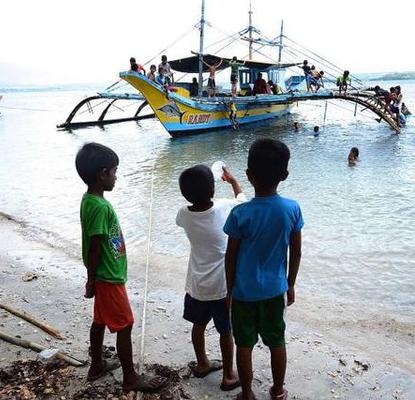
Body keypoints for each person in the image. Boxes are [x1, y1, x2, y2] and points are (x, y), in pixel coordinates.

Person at [75, 143, 166, 392]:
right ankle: (130, 377)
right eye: (114, 171)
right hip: (108, 277)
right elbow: (94, 247)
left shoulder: (91, 200)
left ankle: (96, 365)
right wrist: (91, 279)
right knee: (125, 324)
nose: (116, 176)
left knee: (100, 320)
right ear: (102, 174)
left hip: (106, 275)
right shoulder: (99, 207)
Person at [224, 138, 303, 400]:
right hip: (274, 291)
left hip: (244, 292)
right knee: (276, 341)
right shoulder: (291, 209)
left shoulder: (239, 214)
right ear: (285, 175)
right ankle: (278, 389)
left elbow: (230, 257)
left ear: (248, 175)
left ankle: (247, 394)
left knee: (244, 344)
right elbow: (296, 253)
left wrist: (229, 289)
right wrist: (290, 284)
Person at [176, 165, 245, 393]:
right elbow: (242, 201)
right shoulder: (224, 208)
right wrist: (234, 181)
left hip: (197, 284)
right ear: (214, 188)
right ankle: (228, 375)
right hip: (222, 286)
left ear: (185, 194)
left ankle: (203, 363)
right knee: (226, 331)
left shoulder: (183, 215)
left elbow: (185, 217)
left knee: (198, 325)